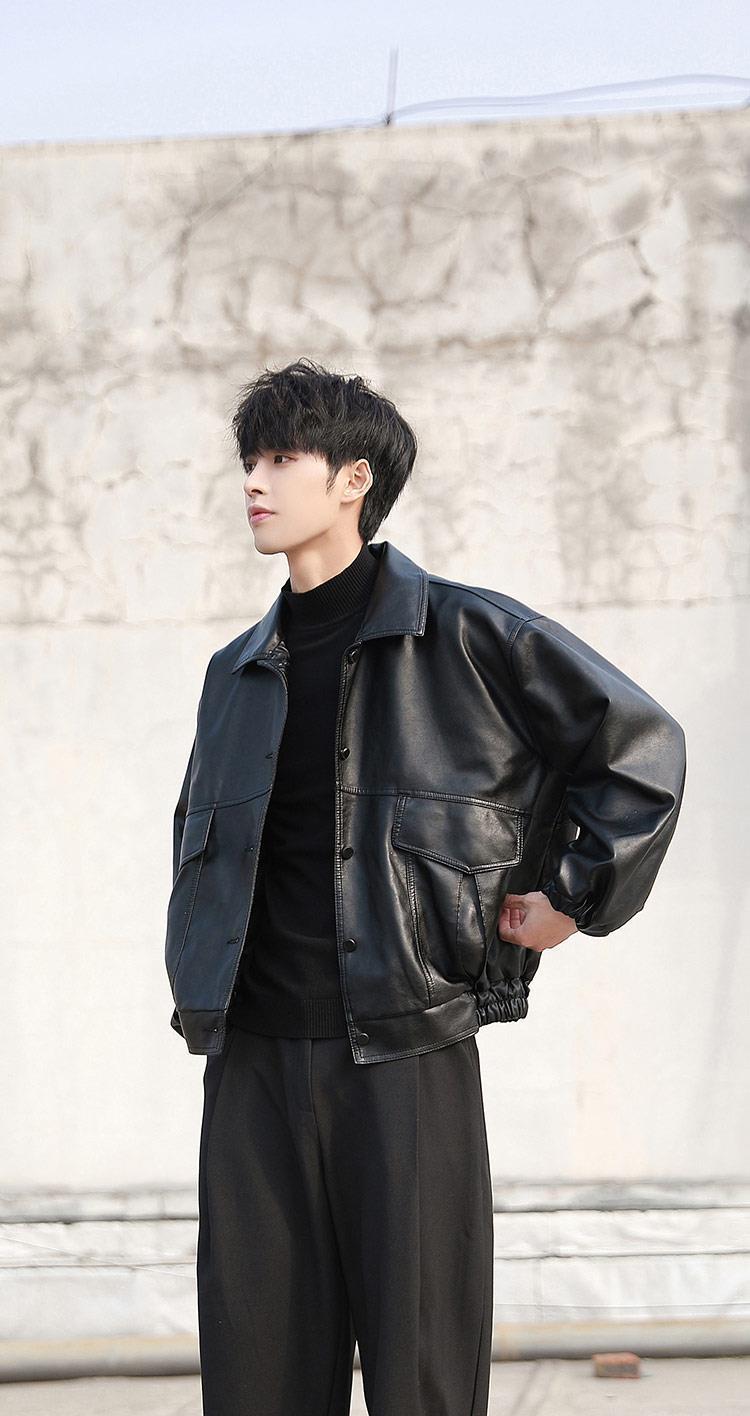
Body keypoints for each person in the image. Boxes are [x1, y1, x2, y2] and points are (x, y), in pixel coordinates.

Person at [164, 358, 687, 1416]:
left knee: (424, 1378)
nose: (254, 482)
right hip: (252, 1059)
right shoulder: (237, 669)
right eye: (249, 460)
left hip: (405, 1053)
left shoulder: (469, 635)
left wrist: (575, 898)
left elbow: (639, 748)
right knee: (255, 1379)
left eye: (282, 458)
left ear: (354, 479)